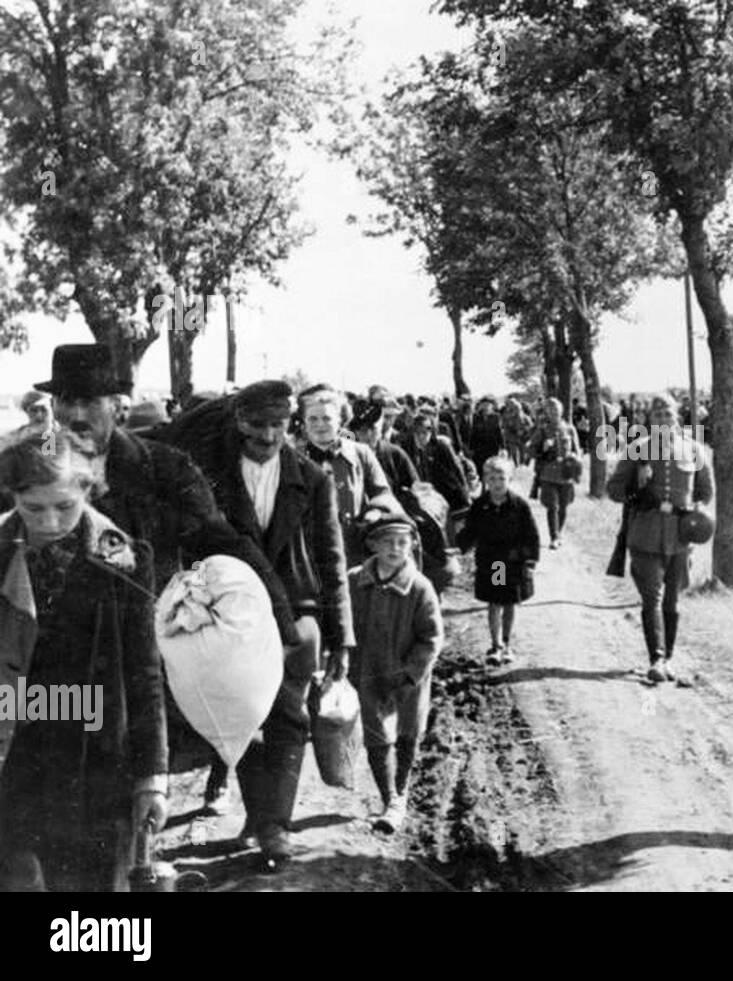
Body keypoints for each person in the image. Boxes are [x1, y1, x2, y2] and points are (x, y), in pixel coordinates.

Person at [39, 344, 302, 815]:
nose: (76, 414)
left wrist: (282, 619)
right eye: (66, 402)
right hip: (52, 650)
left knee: (276, 710)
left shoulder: (162, 468)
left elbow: (223, 540)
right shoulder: (27, 467)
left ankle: (267, 823)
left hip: (141, 643)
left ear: (118, 405)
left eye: (90, 402)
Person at [179, 380, 354, 871]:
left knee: (289, 716)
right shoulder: (210, 476)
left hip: (296, 616)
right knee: (245, 718)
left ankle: (274, 825)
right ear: (239, 423)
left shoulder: (313, 480)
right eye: (259, 425)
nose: (270, 435)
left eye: (279, 425)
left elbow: (330, 556)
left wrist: (342, 634)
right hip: (230, 615)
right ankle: (263, 816)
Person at [0, 430, 168, 891]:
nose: (51, 522)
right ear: (12, 495)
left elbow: (144, 673)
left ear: (88, 489)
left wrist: (152, 776)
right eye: (33, 509)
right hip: (14, 759)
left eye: (65, 507)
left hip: (97, 768)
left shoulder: (125, 559)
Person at [605, 393, 714, 685]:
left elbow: (705, 491)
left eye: (668, 415)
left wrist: (694, 511)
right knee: (651, 598)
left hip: (680, 537)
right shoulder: (636, 449)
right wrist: (636, 488)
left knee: (672, 600)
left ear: (677, 417)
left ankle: (669, 658)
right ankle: (656, 659)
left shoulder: (693, 450)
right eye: (657, 416)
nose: (663, 420)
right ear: (649, 420)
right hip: (646, 534)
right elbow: (614, 490)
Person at [348, 512, 443, 834]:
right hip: (368, 671)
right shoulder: (354, 581)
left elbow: (431, 637)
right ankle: (389, 797)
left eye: (402, 542)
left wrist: (411, 674)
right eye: (387, 541)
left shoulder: (420, 588)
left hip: (407, 676)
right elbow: (340, 621)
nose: (394, 548)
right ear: (372, 544)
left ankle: (400, 790)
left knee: (407, 730)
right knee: (375, 732)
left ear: (412, 545)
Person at [297, 384, 404, 567]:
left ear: (340, 420)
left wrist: (375, 511)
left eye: (327, 418)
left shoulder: (361, 454)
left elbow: (383, 493)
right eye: (313, 419)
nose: (320, 425)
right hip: (308, 556)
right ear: (304, 423)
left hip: (353, 552)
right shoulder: (292, 459)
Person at [455, 457, 539, 667]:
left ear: (508, 479)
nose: (497, 483)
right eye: (492, 478)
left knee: (509, 602)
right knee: (495, 601)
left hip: (512, 560)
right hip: (494, 562)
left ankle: (507, 643)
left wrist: (530, 559)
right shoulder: (480, 505)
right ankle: (496, 645)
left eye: (502, 478)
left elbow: (531, 534)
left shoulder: (518, 505)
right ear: (486, 481)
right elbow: (470, 531)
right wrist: (459, 546)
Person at [529, 397, 581, 549]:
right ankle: (554, 537)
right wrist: (543, 449)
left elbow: (577, 450)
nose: (554, 413)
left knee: (564, 506)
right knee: (553, 506)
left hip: (566, 473)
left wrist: (574, 458)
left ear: (561, 411)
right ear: (547, 412)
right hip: (548, 474)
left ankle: (559, 533)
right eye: (550, 410)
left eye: (556, 410)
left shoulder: (570, 429)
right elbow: (531, 450)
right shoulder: (542, 430)